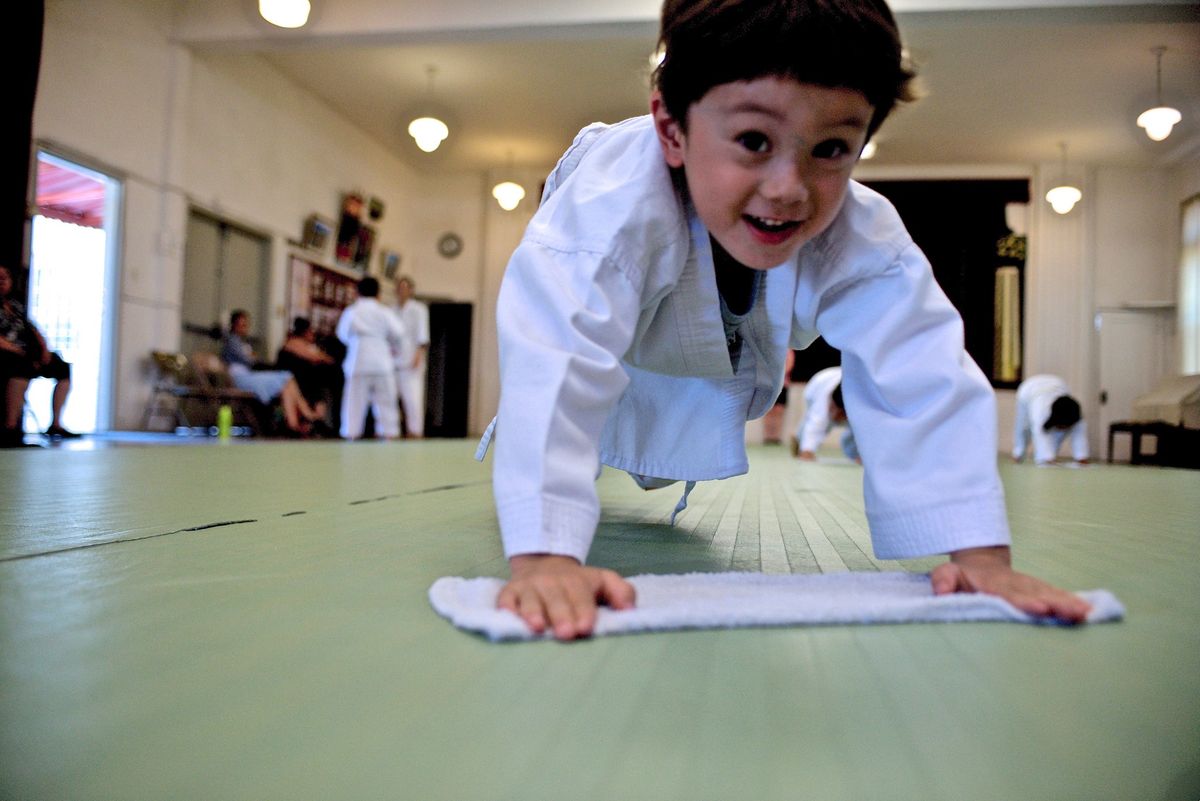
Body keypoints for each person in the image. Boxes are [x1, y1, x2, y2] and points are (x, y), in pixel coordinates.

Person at [479, 0, 1091, 640]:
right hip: (606, 268)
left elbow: (921, 370)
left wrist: (981, 559)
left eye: (831, 148)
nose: (789, 187)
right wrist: (545, 558)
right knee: (578, 348)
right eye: (753, 141)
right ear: (670, 127)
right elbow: (558, 350)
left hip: (713, 324)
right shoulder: (608, 208)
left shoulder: (861, 234)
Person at [0, 264, 79, 446]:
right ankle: (11, 427)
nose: (2, 281)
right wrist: (18, 351)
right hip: (8, 354)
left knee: (62, 367)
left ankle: (56, 424)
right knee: (20, 366)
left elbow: (33, 329)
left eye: (5, 277)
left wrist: (44, 349)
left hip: (26, 353)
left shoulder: (16, 305)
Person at [220, 310, 325, 435]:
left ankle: (293, 424)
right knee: (287, 377)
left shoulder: (242, 342)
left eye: (246, 325)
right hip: (241, 378)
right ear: (234, 325)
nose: (245, 328)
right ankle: (307, 414)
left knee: (287, 385)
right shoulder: (232, 341)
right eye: (241, 325)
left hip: (249, 375)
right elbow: (249, 360)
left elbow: (251, 359)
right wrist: (253, 357)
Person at [337, 277, 406, 440]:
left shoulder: (352, 311)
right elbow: (399, 333)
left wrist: (355, 341)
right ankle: (388, 434)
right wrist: (392, 346)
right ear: (378, 294)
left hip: (358, 360)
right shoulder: (384, 312)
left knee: (354, 402)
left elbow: (342, 335)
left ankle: (351, 434)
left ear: (357, 293)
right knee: (386, 401)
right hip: (381, 361)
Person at [276, 316, 342, 431]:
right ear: (306, 331)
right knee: (319, 387)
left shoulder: (303, 345)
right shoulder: (295, 343)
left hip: (304, 379)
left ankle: (316, 419)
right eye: (311, 331)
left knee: (320, 385)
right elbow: (319, 357)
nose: (313, 334)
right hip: (293, 380)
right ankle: (313, 419)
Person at [1012, 374, 1089, 465]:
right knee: (1023, 427)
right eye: (1062, 426)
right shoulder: (1040, 412)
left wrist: (1081, 457)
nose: (1064, 430)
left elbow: (1079, 435)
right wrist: (1047, 458)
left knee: (1058, 434)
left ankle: (1051, 455)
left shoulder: (1075, 414)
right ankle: (1018, 454)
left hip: (1058, 385)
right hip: (1028, 390)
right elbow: (1039, 434)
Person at [792, 366, 858, 462]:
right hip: (817, 385)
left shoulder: (859, 405)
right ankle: (799, 438)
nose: (838, 418)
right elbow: (814, 427)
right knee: (817, 421)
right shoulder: (821, 402)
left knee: (854, 429)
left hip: (844, 383)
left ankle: (855, 455)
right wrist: (807, 451)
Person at [392, 275, 430, 438]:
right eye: (399, 288)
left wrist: (418, 356)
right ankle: (392, 432)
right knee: (390, 399)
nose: (402, 291)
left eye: (405, 288)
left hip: (412, 361)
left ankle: (415, 432)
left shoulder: (419, 309)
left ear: (411, 290)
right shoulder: (391, 309)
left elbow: (422, 335)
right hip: (393, 361)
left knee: (413, 400)